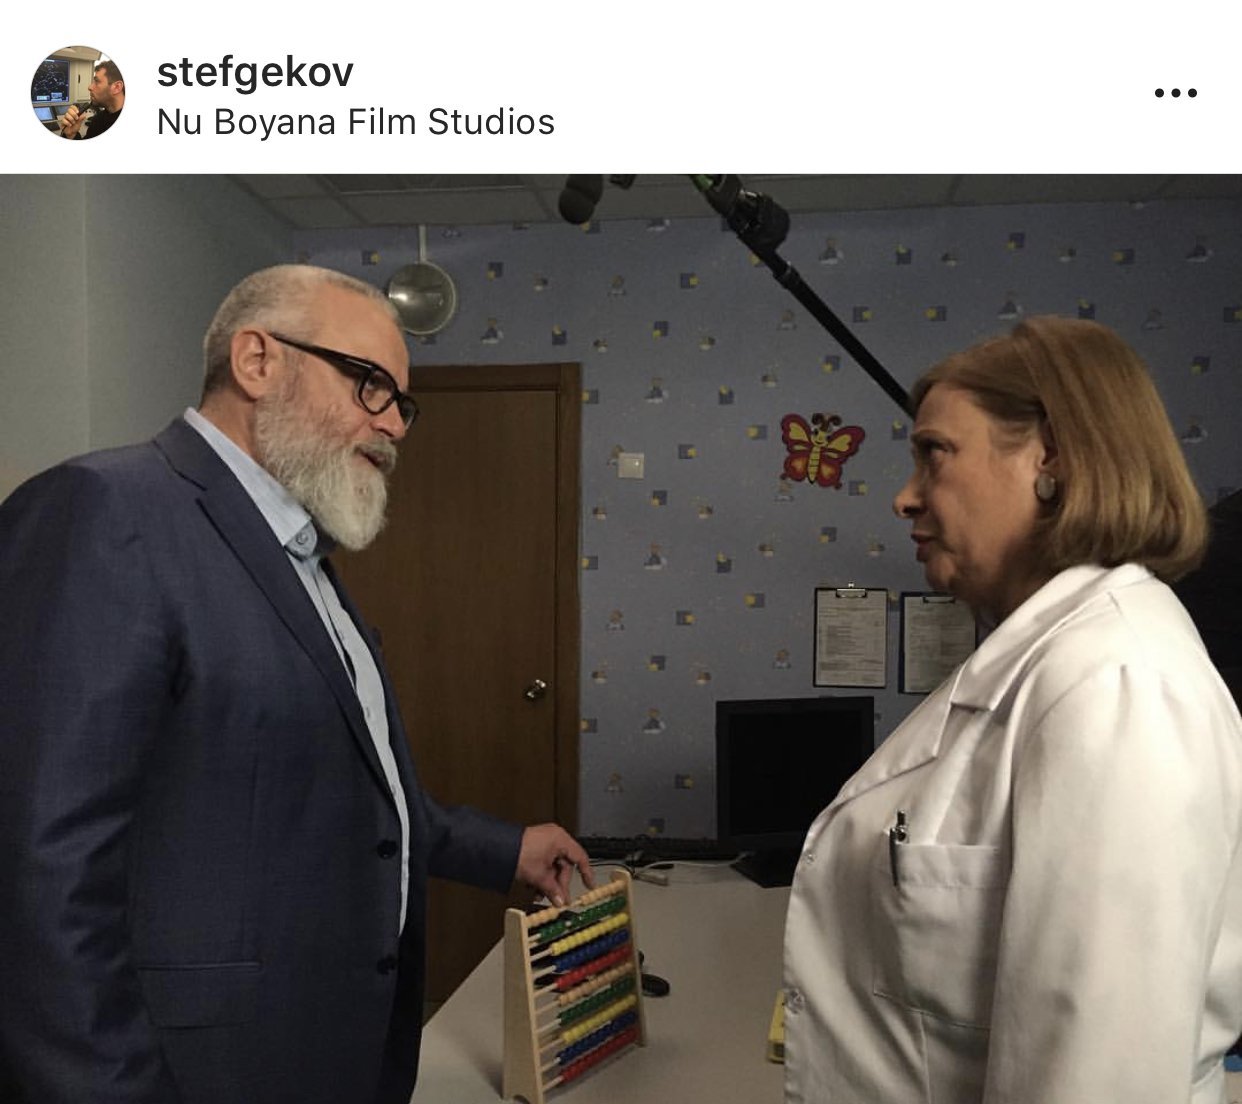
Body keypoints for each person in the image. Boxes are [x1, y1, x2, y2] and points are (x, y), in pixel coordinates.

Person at [0, 264, 592, 1104]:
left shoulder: (303, 557)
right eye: (370, 385)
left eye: (403, 403)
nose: (394, 424)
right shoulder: (104, 513)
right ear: (257, 361)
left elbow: (337, 795)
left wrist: (505, 849)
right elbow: (38, 872)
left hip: (328, 1052)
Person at [783, 316, 1242, 1104]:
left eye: (935, 454)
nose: (905, 496)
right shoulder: (1044, 659)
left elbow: (1096, 1082)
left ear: (1050, 457)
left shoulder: (1117, 683)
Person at [59, 58, 124, 139]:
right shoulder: (98, 120)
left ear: (117, 87)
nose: (89, 87)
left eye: (97, 81)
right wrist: (71, 135)